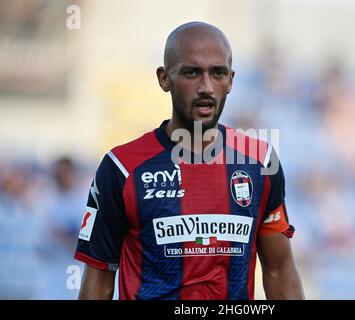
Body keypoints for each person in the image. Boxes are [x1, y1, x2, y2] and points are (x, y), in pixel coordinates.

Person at [75, 21, 304, 300]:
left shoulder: (261, 162)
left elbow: (279, 269)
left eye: (217, 73)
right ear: (164, 78)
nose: (206, 86)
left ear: (231, 80)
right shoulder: (121, 168)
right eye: (192, 72)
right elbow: (98, 281)